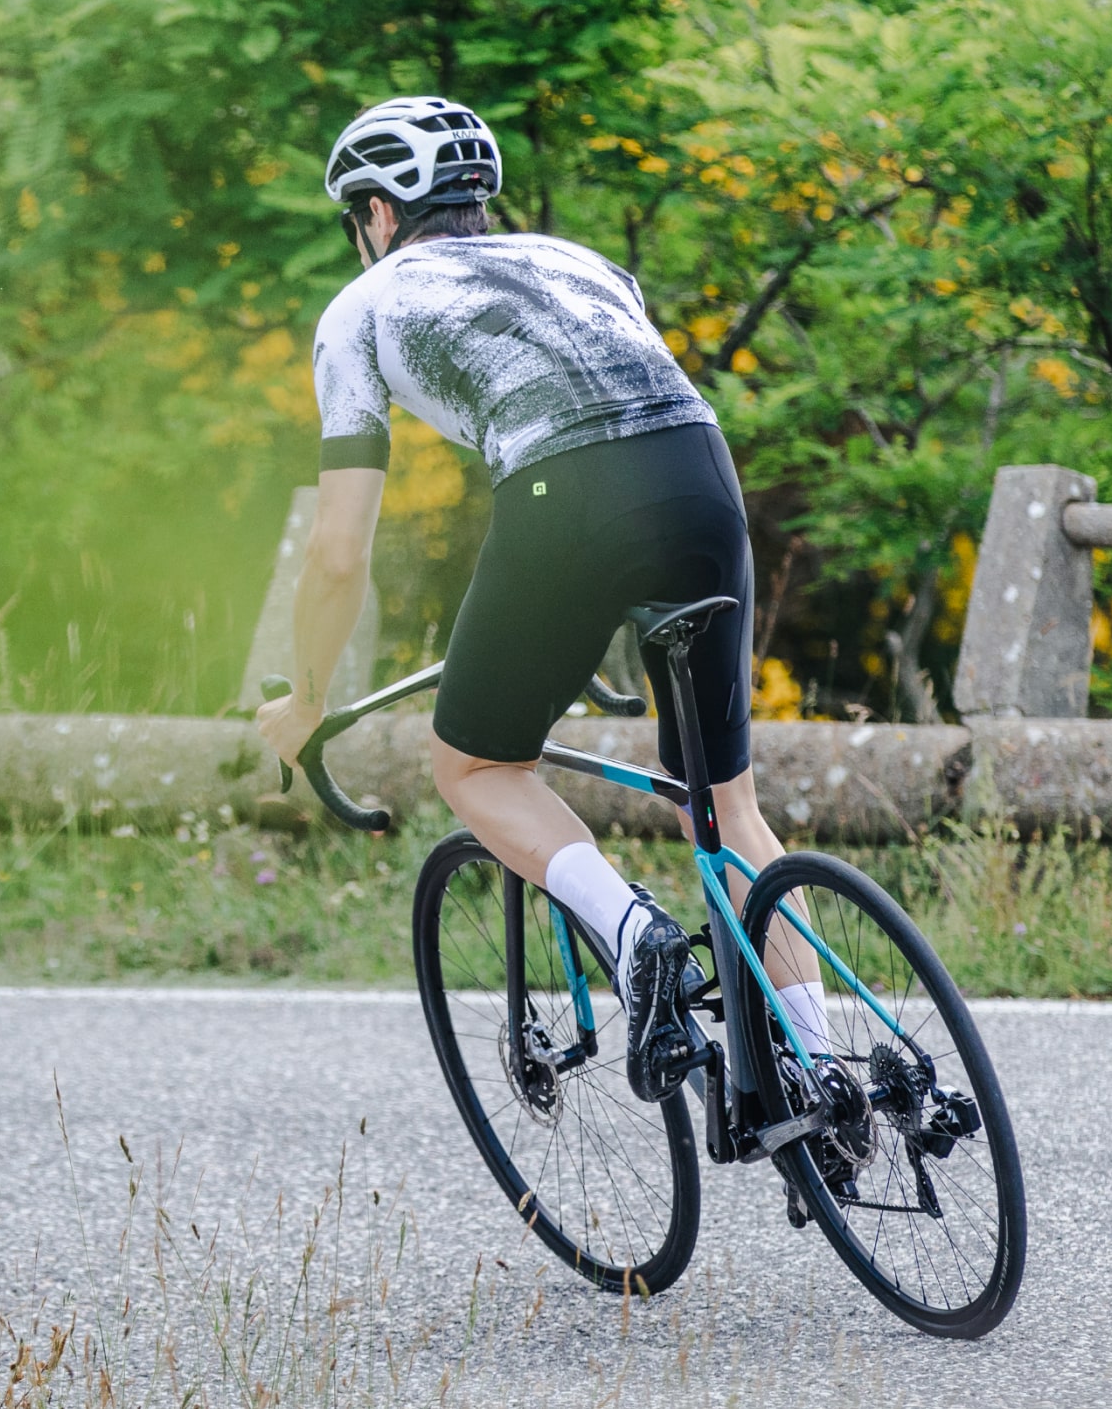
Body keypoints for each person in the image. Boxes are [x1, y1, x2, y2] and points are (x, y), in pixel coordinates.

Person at [255, 96, 828, 1102]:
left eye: (357, 220)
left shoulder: (363, 305)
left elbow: (339, 551)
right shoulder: (579, 262)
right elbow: (621, 420)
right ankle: (829, 1078)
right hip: (701, 472)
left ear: (379, 214)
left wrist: (304, 700)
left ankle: (631, 934)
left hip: (564, 495)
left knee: (475, 764)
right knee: (726, 803)